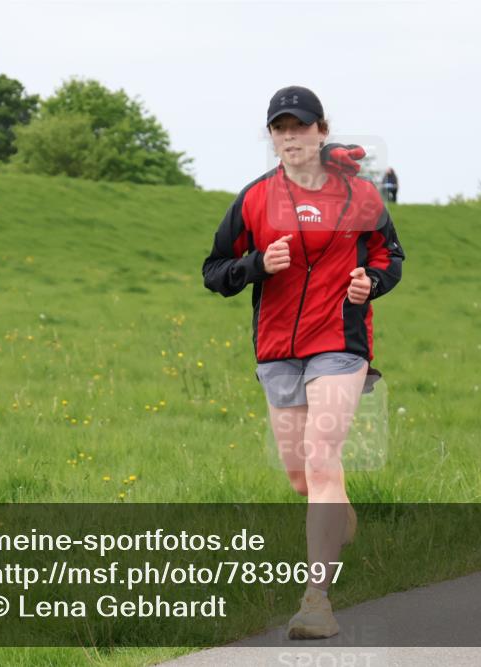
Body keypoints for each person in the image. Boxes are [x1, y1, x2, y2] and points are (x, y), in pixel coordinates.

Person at [202, 85, 405, 638]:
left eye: (300, 126)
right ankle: (338, 512)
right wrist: (256, 265)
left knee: (320, 459)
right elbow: (214, 270)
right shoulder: (253, 199)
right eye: (280, 129)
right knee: (301, 477)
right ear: (271, 137)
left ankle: (317, 603)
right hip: (277, 351)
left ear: (321, 130)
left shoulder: (361, 195)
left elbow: (390, 255)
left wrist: (371, 283)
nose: (290, 137)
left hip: (339, 343)